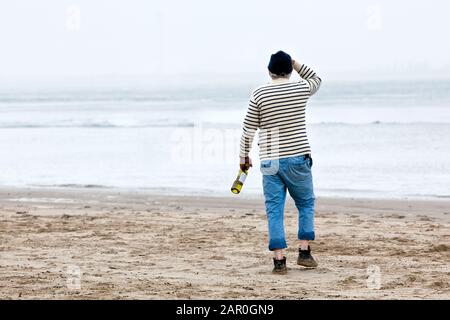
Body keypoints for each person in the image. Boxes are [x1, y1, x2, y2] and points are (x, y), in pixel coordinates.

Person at [239, 50, 322, 274]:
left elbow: (248, 129)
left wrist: (244, 157)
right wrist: (295, 63)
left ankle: (279, 261)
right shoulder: (300, 88)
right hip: (298, 158)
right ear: (289, 70)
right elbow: (316, 79)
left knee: (274, 209)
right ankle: (304, 252)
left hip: (270, 161)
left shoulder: (259, 93)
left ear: (269, 71)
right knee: (305, 204)